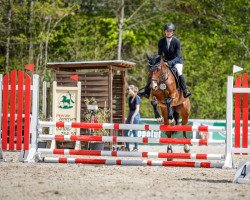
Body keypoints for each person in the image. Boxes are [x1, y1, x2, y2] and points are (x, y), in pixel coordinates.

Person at [139, 23, 191, 98]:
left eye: (170, 31)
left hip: (177, 61)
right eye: (167, 31)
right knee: (153, 70)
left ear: (173, 32)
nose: (168, 32)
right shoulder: (161, 41)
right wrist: (154, 60)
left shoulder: (176, 42)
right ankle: (147, 91)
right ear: (165, 32)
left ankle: (185, 90)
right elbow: (160, 54)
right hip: (166, 61)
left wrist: (171, 62)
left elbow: (178, 56)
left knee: (179, 72)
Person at [124, 85, 141, 151]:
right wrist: (128, 117)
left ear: (132, 90)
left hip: (135, 115)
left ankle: (136, 147)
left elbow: (137, 109)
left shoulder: (137, 97)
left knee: (134, 131)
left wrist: (133, 117)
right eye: (127, 89)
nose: (127, 91)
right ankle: (127, 147)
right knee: (125, 131)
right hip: (130, 114)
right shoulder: (129, 98)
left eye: (128, 89)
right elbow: (130, 109)